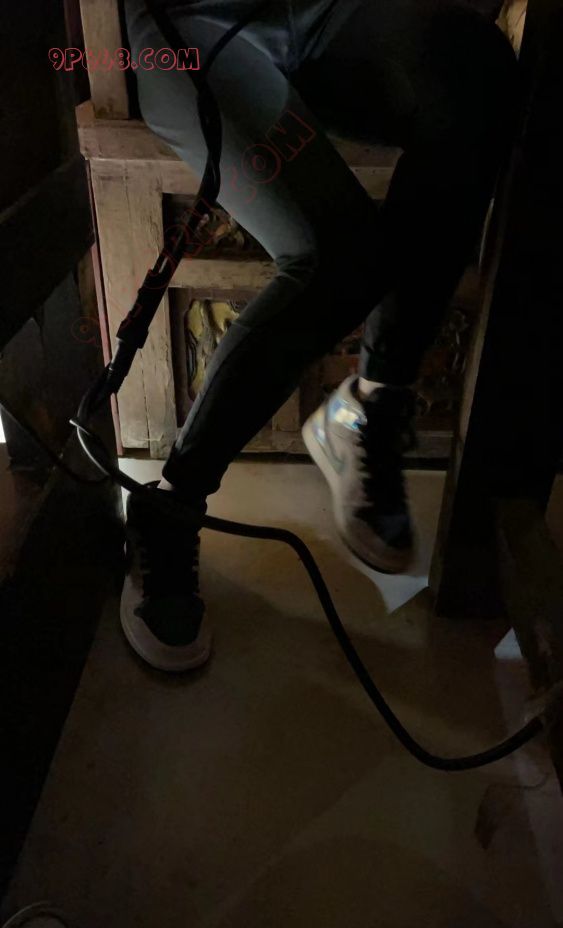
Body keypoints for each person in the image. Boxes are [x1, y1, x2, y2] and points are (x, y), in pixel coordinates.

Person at [119, 0, 517, 672]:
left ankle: (371, 406)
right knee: (339, 255)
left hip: (328, 13)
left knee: (478, 68)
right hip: (191, 21)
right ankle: (173, 505)